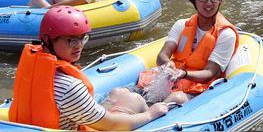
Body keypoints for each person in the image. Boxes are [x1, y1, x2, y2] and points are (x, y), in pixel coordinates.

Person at [8, 7, 167, 130]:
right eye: (71, 40)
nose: (79, 45)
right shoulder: (68, 87)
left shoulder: (31, 70)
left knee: (118, 93)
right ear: (48, 40)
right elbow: (111, 125)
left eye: (82, 37)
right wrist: (150, 115)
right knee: (135, 99)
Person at [143, 0, 239, 105]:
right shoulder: (181, 25)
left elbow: (210, 73)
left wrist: (184, 74)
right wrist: (168, 64)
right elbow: (162, 55)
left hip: (198, 90)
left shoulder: (226, 34)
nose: (209, 3)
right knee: (121, 93)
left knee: (176, 98)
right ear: (193, 0)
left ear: (220, 0)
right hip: (173, 79)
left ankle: (148, 116)